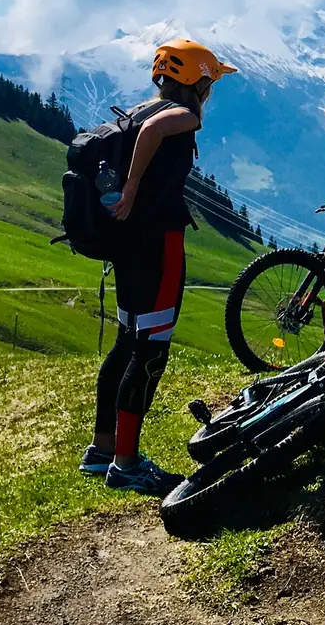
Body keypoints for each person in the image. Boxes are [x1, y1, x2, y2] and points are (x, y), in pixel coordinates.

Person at [81, 38, 235, 497]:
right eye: (209, 80)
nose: (210, 89)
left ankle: (102, 451)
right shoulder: (182, 116)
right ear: (196, 79)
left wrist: (127, 197)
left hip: (128, 243)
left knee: (126, 341)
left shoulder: (140, 109)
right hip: (158, 244)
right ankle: (126, 463)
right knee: (151, 351)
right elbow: (152, 139)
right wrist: (131, 189)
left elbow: (141, 135)